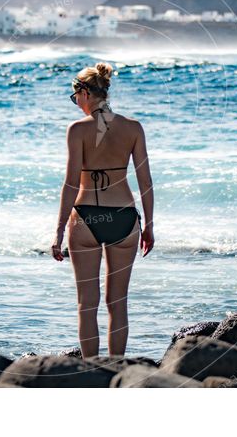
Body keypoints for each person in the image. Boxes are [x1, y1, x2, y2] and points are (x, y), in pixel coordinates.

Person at [52, 62, 154, 358]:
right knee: (117, 302)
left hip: (86, 220)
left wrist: (58, 230)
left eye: (75, 98)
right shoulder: (133, 128)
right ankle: (117, 371)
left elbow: (71, 183)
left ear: (84, 92)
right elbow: (145, 182)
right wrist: (149, 225)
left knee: (87, 303)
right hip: (124, 219)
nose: (76, 105)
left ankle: (90, 372)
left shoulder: (77, 130)